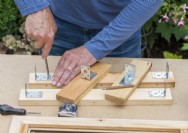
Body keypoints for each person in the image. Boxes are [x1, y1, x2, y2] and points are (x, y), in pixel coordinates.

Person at [15, 0, 162, 87]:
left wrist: (95, 49)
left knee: (121, 103)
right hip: (61, 25)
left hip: (121, 30)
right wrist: (35, 7)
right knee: (52, 98)